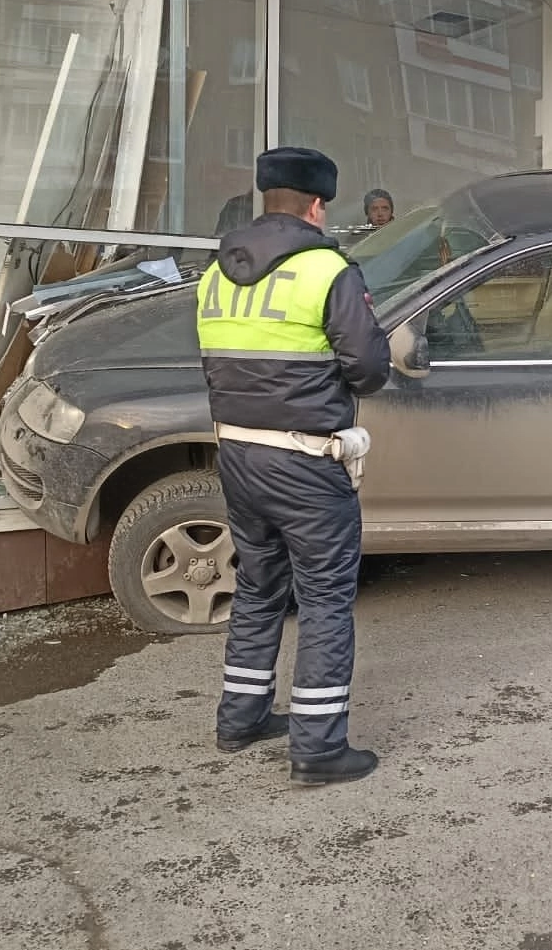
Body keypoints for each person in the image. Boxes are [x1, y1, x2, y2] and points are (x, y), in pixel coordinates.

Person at [195, 146, 392, 786]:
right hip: (305, 462)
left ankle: (241, 718)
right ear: (317, 205)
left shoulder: (216, 273)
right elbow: (369, 368)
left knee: (257, 586)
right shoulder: (326, 270)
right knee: (326, 599)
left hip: (237, 454)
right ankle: (318, 748)